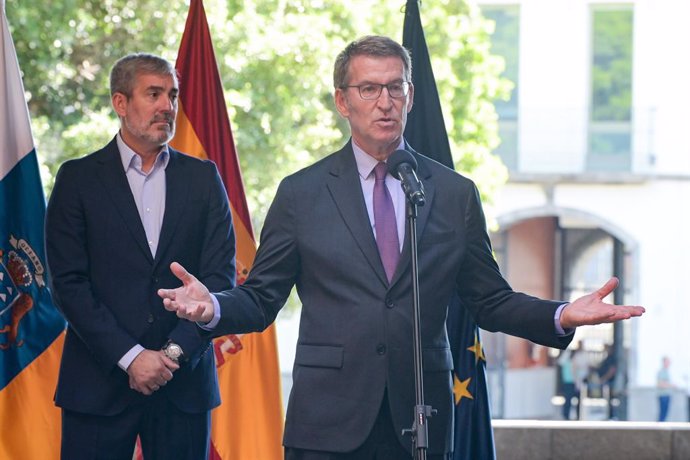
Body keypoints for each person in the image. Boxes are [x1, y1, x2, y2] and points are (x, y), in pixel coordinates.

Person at [158, 36, 645, 459]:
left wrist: (561, 315)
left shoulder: (453, 194)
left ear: (410, 96)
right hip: (327, 421)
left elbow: (490, 301)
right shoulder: (301, 193)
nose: (384, 101)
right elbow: (262, 299)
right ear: (342, 102)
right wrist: (213, 309)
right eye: (369, 89)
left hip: (423, 419)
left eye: (395, 87)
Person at [45, 53, 236, 459]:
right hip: (97, 386)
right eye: (154, 94)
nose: (167, 106)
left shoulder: (204, 179)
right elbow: (67, 283)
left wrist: (170, 356)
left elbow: (219, 280)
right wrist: (131, 358)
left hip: (182, 386)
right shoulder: (77, 179)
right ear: (120, 103)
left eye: (172, 94)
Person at [657, 356, 674, 421]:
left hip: (667, 395)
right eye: (667, 362)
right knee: (662, 413)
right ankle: (660, 428)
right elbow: (660, 384)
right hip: (663, 395)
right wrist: (670, 385)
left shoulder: (667, 371)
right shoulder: (661, 372)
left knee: (665, 414)